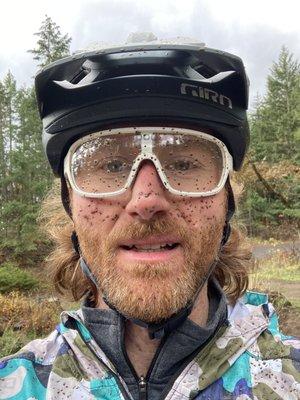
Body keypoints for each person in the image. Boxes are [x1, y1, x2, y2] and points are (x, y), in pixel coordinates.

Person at [0, 38, 299, 400]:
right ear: (70, 204)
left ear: (227, 202)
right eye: (110, 165)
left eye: (185, 164)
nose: (147, 200)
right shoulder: (17, 385)